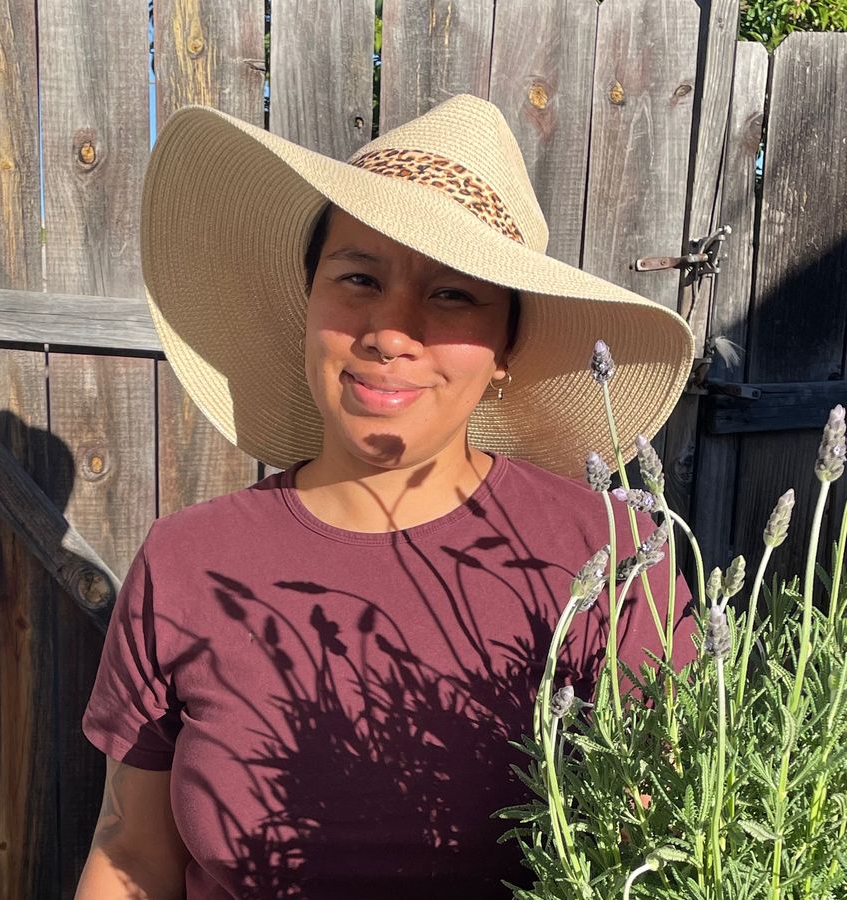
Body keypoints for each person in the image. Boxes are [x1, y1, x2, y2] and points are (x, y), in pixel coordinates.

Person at [74, 94, 695, 899]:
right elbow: (131, 854)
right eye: (359, 278)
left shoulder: (609, 556)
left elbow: (675, 844)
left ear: (504, 347)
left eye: (452, 295)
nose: (391, 332)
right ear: (308, 303)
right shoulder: (187, 561)